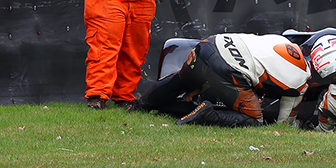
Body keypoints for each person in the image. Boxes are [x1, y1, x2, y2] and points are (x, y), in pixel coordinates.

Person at [131, 33, 312, 127]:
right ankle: (208, 114)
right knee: (254, 121)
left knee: (181, 79)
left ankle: (139, 107)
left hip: (209, 44)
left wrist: (202, 84)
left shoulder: (281, 41)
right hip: (229, 68)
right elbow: (283, 124)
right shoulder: (301, 84)